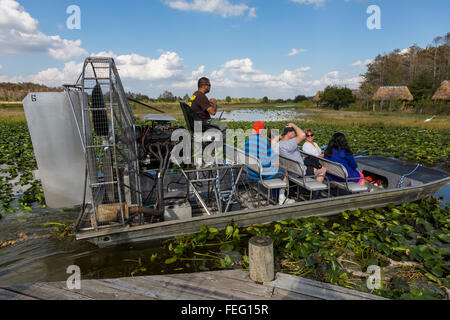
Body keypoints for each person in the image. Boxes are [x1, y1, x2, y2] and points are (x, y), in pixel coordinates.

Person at [245, 121, 295, 205]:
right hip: (260, 174)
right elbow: (267, 162)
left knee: (277, 168)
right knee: (283, 171)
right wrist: (274, 163)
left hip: (251, 172)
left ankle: (275, 194)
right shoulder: (264, 142)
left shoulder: (248, 141)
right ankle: (282, 198)